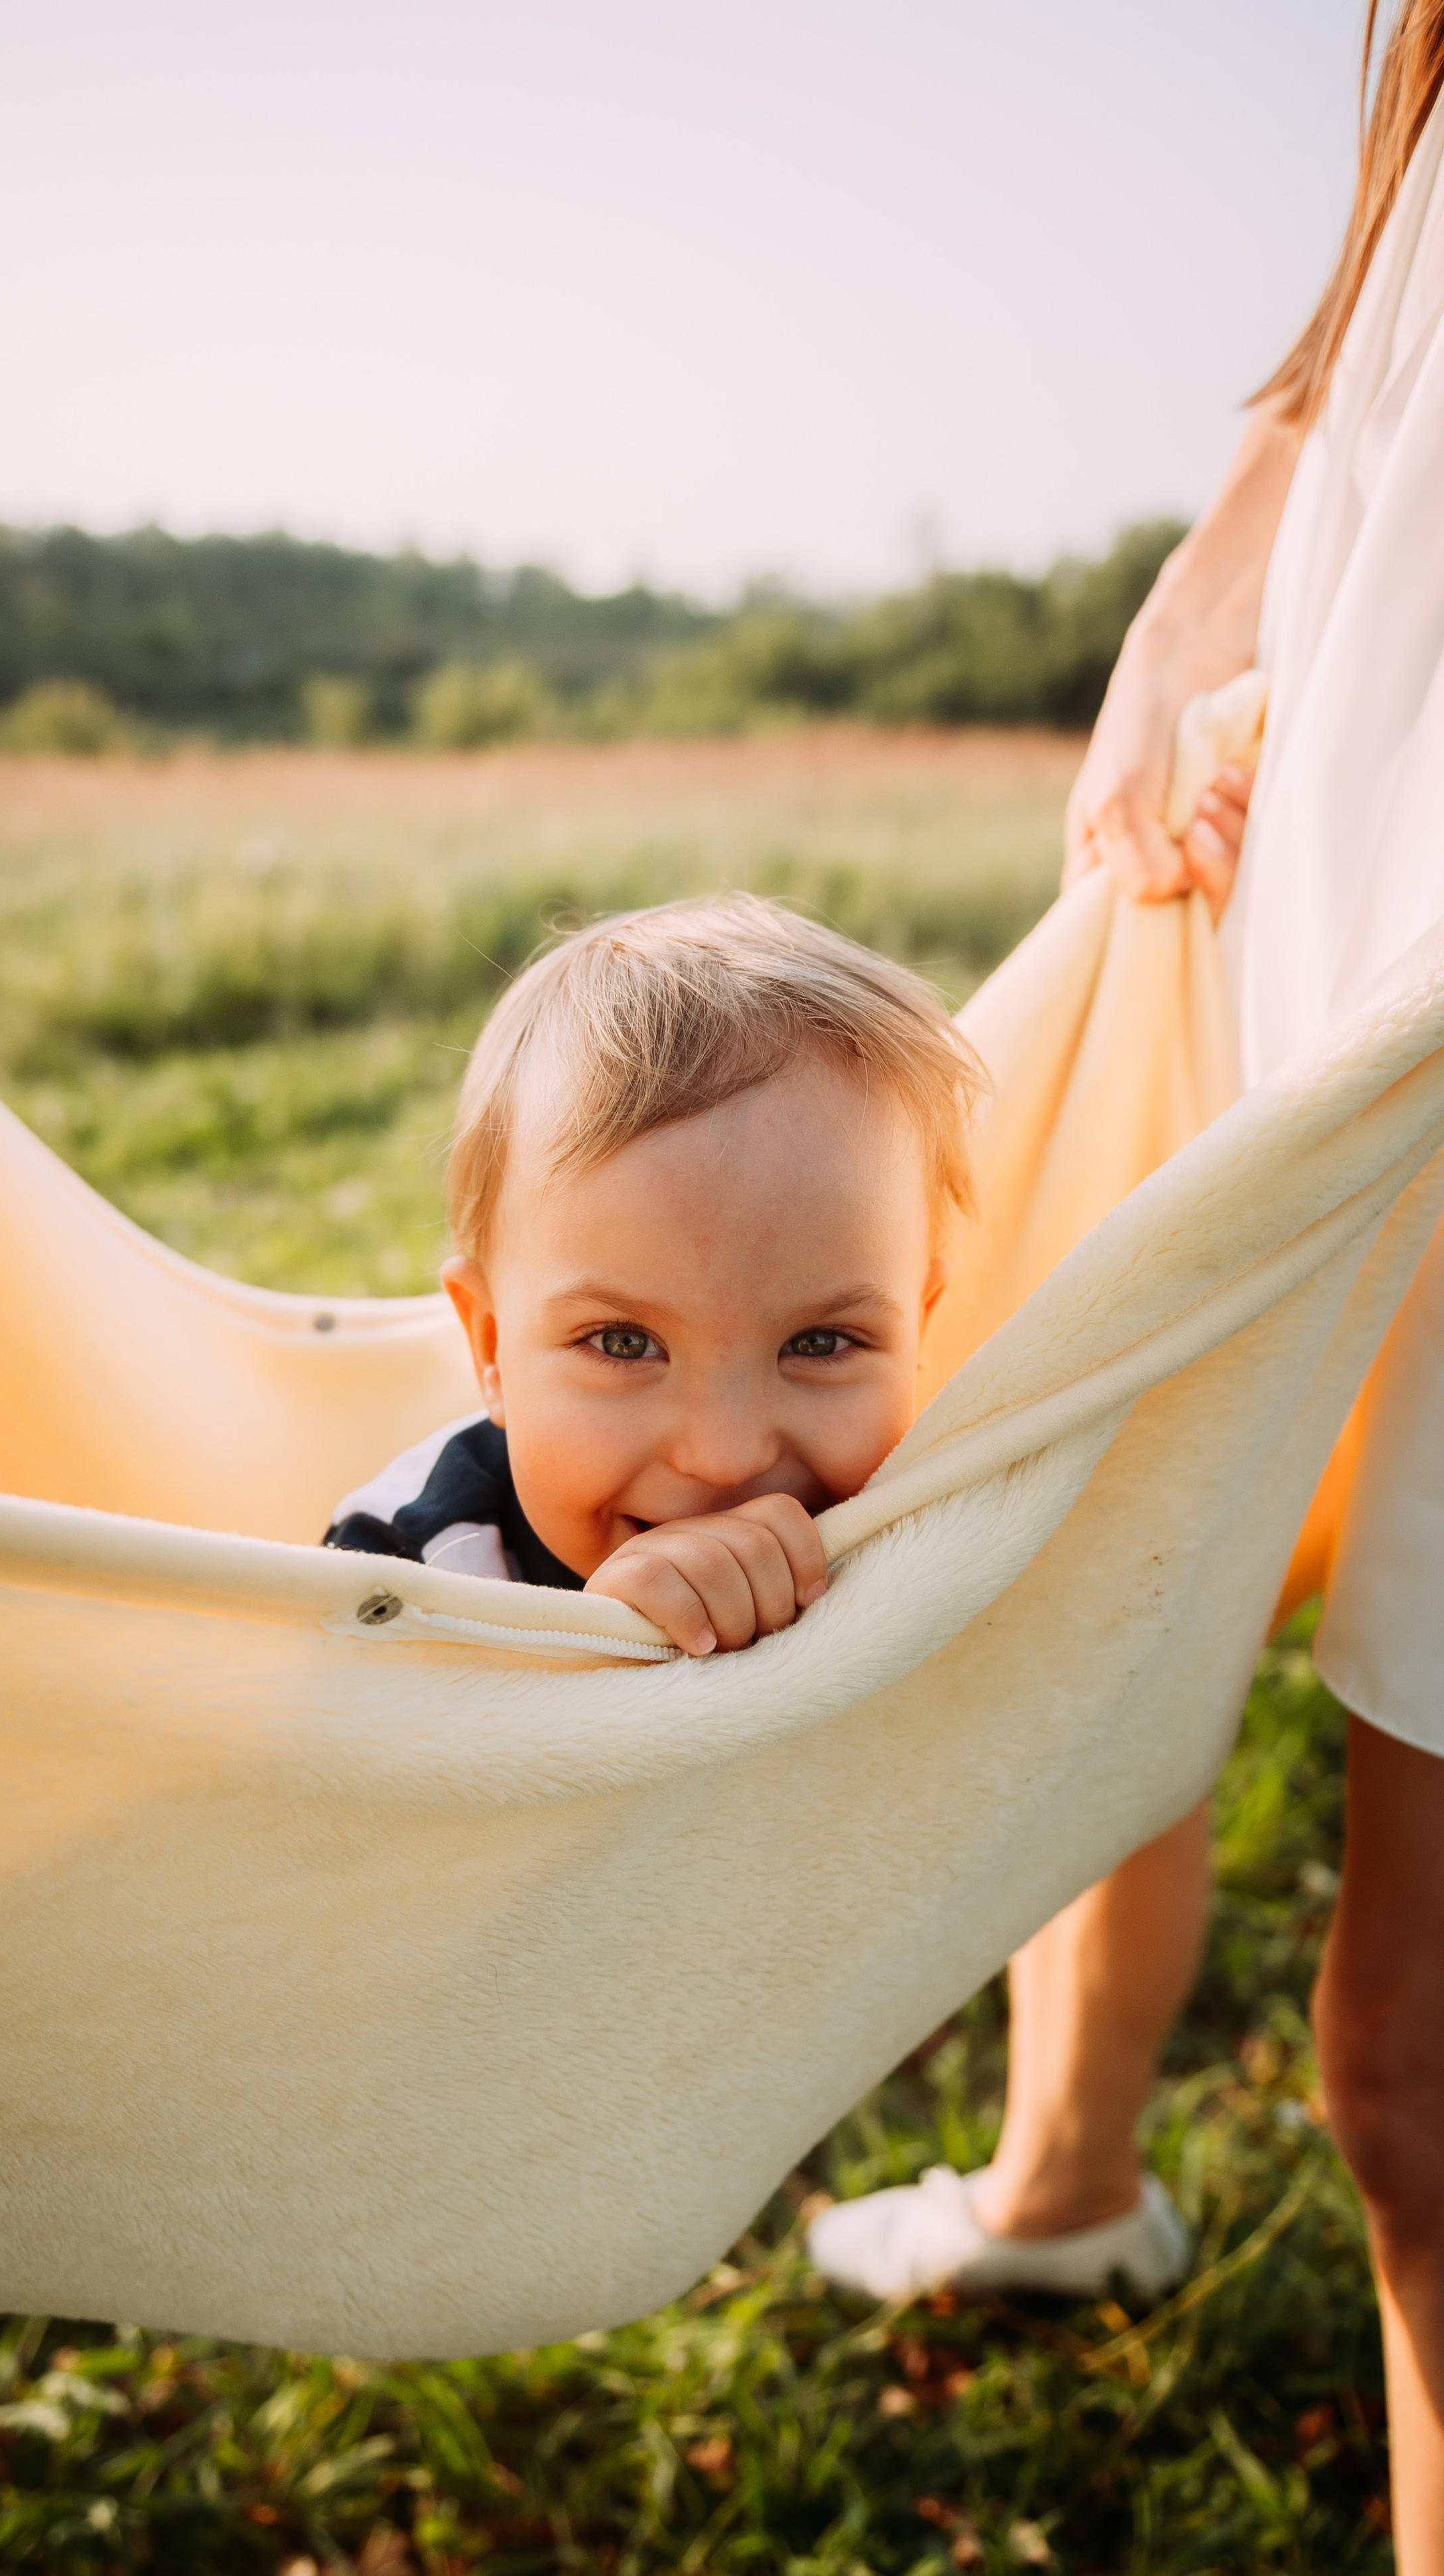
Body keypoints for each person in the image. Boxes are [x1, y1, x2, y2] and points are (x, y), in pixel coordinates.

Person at [810, 5, 1444, 2559]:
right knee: (1103, 1499)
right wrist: (1236, 570)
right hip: (1339, 924)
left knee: (1406, 2072)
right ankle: (1064, 2175)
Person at [326, 894, 981, 1658]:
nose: (725, 1457)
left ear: (917, 1334)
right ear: (492, 1347)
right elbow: (332, 1763)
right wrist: (592, 1662)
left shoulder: (957, 1526)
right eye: (625, 1343)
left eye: (821, 1342)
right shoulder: (403, 1574)